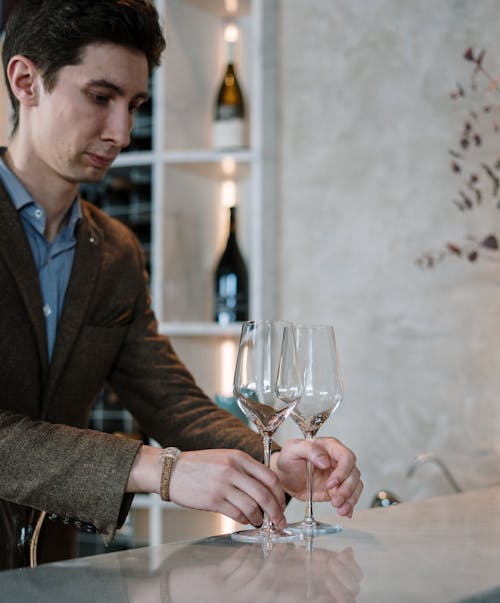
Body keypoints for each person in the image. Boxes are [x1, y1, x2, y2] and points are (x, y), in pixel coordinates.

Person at [0, 0, 363, 564]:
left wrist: (276, 460)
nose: (121, 131)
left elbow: (173, 402)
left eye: (135, 104)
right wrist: (159, 470)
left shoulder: (115, 250)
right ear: (26, 81)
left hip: (45, 578)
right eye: (100, 97)